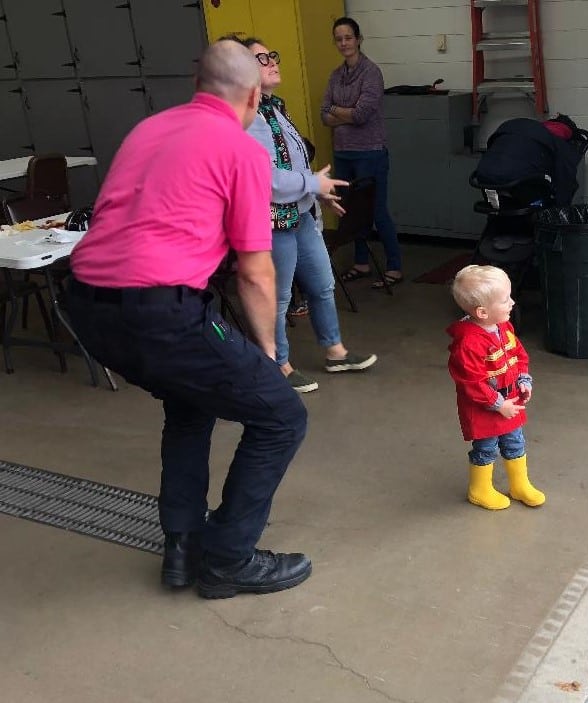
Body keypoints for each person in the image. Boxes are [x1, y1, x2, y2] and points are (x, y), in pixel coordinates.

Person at [66, 39, 312, 599]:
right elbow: (255, 272)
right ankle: (227, 559)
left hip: (85, 305)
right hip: (159, 309)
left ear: (198, 86)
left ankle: (181, 545)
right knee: (281, 416)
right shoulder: (241, 149)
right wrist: (269, 356)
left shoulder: (148, 129)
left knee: (189, 402)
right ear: (253, 96)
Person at [244, 37, 377, 394]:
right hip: (273, 223)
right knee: (278, 298)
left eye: (272, 55)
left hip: (301, 215)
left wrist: (317, 192)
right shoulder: (246, 117)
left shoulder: (274, 107)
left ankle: (335, 352)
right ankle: (278, 364)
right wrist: (312, 184)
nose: (273, 62)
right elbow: (265, 179)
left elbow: (293, 162)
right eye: (261, 59)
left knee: (322, 285)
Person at [447, 265, 546, 510]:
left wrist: (523, 380)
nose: (512, 303)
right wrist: (498, 404)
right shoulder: (468, 344)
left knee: (515, 443)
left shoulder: (504, 327)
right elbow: (472, 382)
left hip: (511, 401)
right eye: (505, 300)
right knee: (486, 448)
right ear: (482, 312)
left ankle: (519, 485)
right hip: (486, 409)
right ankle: (479, 490)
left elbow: (518, 355)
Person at [320, 16, 403, 288]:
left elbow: (362, 114)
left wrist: (337, 111)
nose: (344, 43)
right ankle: (361, 263)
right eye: (339, 39)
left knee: (376, 210)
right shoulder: (335, 75)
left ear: (358, 39)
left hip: (370, 152)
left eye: (348, 38)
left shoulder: (371, 73)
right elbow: (324, 115)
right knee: (351, 211)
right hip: (343, 152)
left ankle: (394, 267)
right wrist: (347, 113)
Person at [471, 115, 587, 206]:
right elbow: (566, 181)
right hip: (518, 181)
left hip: (484, 175)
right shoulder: (560, 143)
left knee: (500, 209)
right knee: (540, 197)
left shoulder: (527, 130)